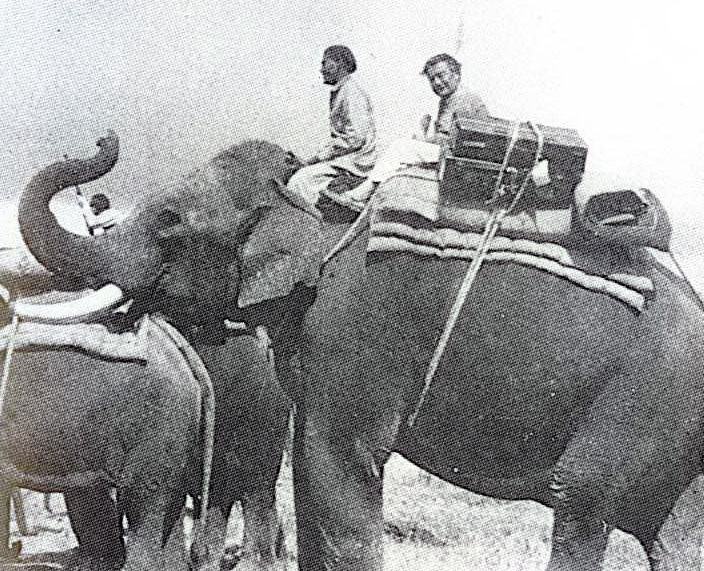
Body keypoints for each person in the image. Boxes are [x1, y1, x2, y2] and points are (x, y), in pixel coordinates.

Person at [337, 53, 489, 208]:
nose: (437, 82)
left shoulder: (463, 98)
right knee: (402, 149)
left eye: (441, 75)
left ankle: (364, 192)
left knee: (401, 147)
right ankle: (372, 191)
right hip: (456, 154)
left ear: (456, 74)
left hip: (463, 158)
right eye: (432, 79)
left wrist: (421, 137)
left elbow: (446, 140)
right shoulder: (451, 98)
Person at [286, 45, 377, 212]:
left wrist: (314, 160)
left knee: (298, 182)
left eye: (325, 63)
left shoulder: (352, 93)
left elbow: (356, 139)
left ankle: (308, 222)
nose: (321, 70)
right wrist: (311, 161)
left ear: (340, 63)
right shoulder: (343, 90)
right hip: (347, 159)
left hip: (356, 163)